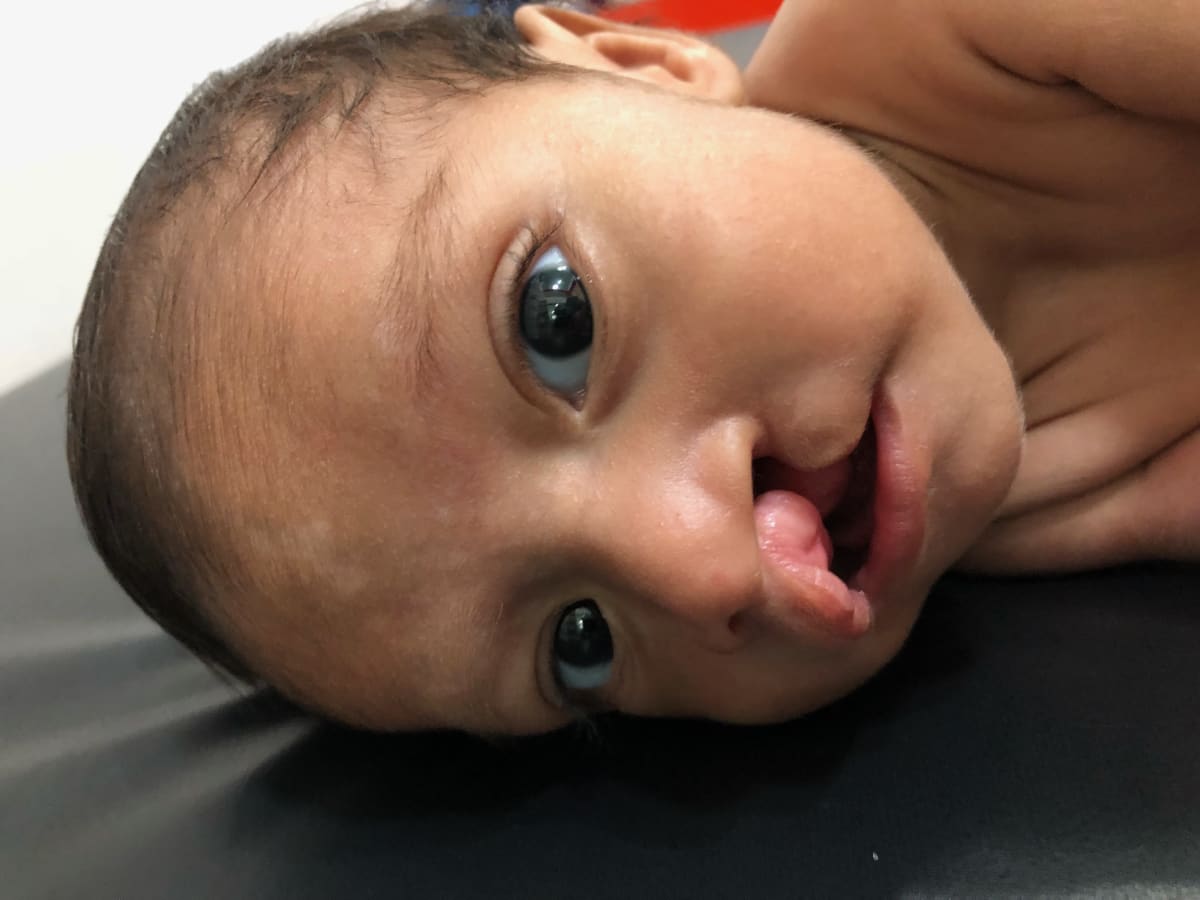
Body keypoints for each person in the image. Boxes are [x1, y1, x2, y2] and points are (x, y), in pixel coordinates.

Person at [66, 0, 1200, 734]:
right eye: (581, 643)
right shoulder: (1040, 515)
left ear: (638, 61)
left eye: (557, 322)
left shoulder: (937, 30)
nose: (699, 567)